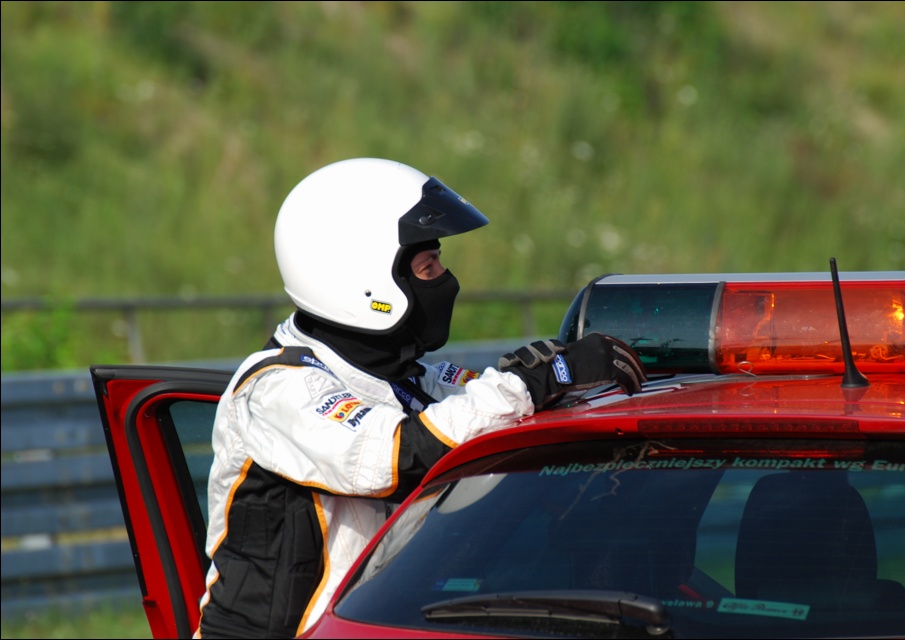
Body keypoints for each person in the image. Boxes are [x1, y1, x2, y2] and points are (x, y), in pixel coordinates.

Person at [195, 157, 647, 639]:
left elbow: (484, 408)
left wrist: (561, 379)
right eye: (429, 266)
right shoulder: (276, 387)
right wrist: (537, 380)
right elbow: (396, 457)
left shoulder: (399, 376)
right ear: (362, 280)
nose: (447, 280)